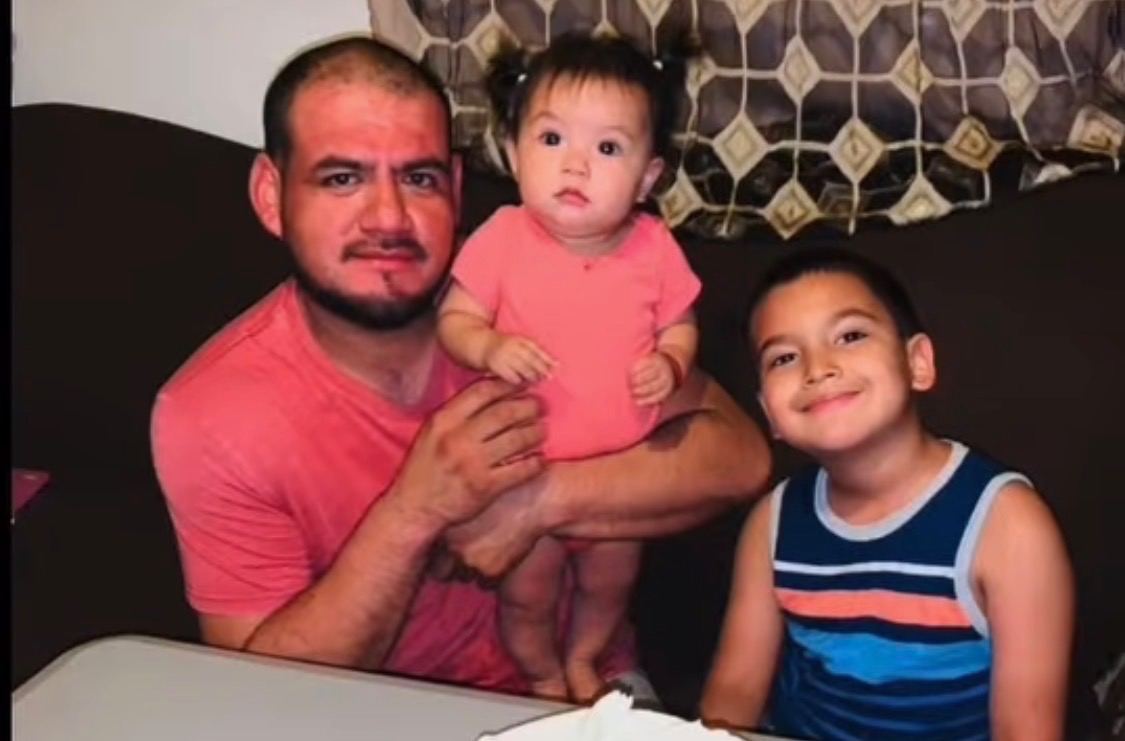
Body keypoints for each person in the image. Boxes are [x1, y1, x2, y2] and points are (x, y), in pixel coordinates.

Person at [149, 34, 772, 700]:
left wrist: (535, 503)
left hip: (589, 690)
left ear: (454, 185)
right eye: (342, 178)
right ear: (271, 194)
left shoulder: (535, 283)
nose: (388, 218)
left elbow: (739, 458)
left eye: (418, 178)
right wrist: (414, 513)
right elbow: (258, 695)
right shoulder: (212, 415)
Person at [701, 248, 1074, 740]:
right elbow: (734, 691)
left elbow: (1026, 729)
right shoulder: (772, 523)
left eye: (850, 336)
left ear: (917, 362)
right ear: (769, 413)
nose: (818, 368)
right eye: (784, 358)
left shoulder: (1007, 526)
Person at [436, 32, 701, 703]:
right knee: (528, 591)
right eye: (552, 139)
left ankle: (584, 657)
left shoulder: (654, 246)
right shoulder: (502, 236)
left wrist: (672, 362)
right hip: (524, 472)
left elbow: (680, 323)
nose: (575, 165)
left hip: (620, 479)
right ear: (512, 151)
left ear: (647, 178)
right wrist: (488, 347)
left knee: (610, 586)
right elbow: (454, 320)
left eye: (607, 148)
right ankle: (541, 672)